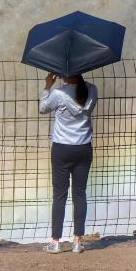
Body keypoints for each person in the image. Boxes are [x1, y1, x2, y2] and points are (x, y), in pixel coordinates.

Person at [38, 71, 98, 253]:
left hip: (62, 149)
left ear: (64, 73)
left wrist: (48, 85)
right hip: (83, 148)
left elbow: (42, 108)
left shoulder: (58, 94)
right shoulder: (92, 90)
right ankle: (77, 242)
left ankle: (55, 242)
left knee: (59, 195)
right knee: (79, 193)